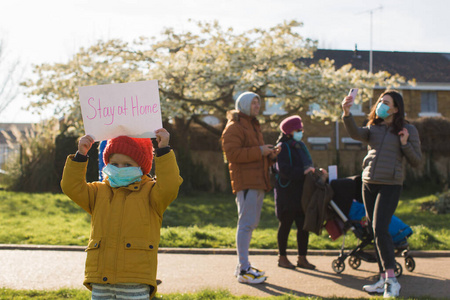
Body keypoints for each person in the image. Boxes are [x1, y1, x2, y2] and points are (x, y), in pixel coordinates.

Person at [61, 129, 183, 300]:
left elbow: (169, 185)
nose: (120, 169)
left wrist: (163, 150)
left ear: (142, 167)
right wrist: (81, 155)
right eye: (115, 164)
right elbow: (71, 186)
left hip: (135, 279)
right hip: (101, 279)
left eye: (127, 165)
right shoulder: (98, 191)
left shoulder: (151, 193)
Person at [342, 90, 422, 298]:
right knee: (373, 231)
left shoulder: (408, 129)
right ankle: (382, 278)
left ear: (396, 108)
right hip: (369, 183)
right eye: (380, 101)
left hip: (390, 184)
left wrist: (404, 144)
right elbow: (355, 134)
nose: (381, 105)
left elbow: (417, 161)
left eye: (386, 103)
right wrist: (347, 112)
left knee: (380, 228)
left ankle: (392, 281)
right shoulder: (374, 127)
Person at [221, 91, 279, 284]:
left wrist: (269, 155)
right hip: (246, 182)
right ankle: (244, 269)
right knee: (246, 224)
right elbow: (233, 155)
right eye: (254, 103)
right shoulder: (234, 127)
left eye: (258, 103)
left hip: (257, 181)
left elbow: (253, 154)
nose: (257, 106)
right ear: (244, 104)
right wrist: (260, 151)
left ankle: (242, 266)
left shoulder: (252, 125)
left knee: (250, 224)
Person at [273, 115, 317, 270]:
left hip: (301, 192)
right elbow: (283, 169)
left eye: (301, 129)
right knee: (285, 225)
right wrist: (303, 171)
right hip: (287, 193)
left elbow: (306, 166)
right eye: (298, 129)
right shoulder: (283, 147)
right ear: (289, 131)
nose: (301, 132)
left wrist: (313, 172)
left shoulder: (299, 146)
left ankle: (302, 258)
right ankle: (282, 257)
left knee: (303, 226)